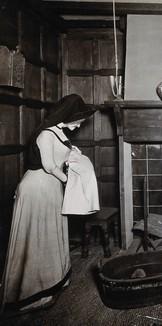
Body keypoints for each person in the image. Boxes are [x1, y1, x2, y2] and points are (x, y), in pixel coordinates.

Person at [1, 94, 96, 315]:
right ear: (70, 116)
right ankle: (30, 294)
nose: (81, 124)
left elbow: (65, 154)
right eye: (80, 120)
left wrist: (75, 157)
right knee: (37, 237)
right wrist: (71, 181)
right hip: (37, 188)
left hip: (51, 189)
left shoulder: (59, 133)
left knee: (50, 234)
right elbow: (50, 166)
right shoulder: (46, 134)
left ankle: (53, 281)